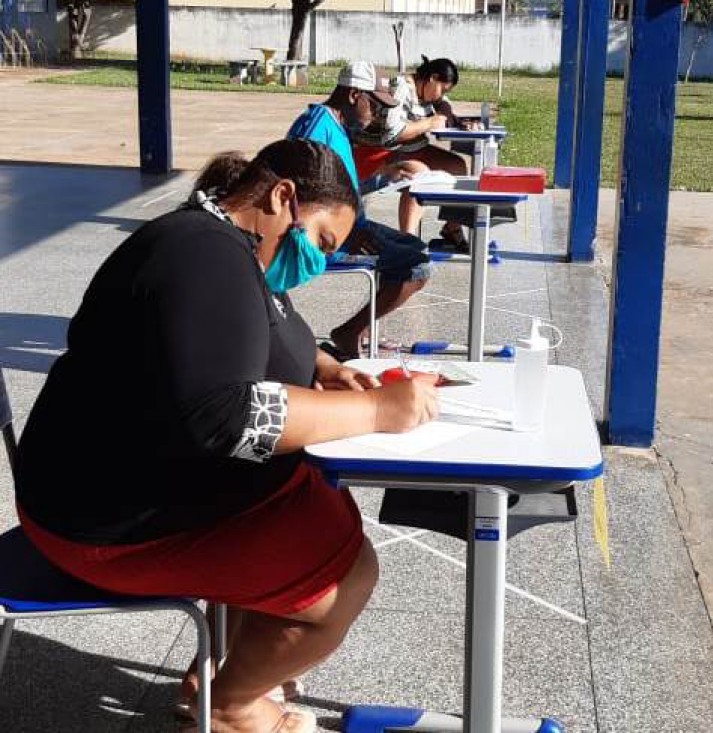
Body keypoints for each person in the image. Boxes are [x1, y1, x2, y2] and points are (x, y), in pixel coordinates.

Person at [14, 139, 439, 733]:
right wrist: (376, 410)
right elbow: (226, 416)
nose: (317, 262)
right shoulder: (204, 256)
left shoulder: (229, 247)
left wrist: (322, 366)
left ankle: (214, 673)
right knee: (344, 579)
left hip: (115, 486)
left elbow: (268, 327)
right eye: (319, 242)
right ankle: (234, 705)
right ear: (282, 197)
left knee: (315, 509)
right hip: (98, 523)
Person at [287, 61, 432, 360]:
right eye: (374, 105)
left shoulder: (334, 126)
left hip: (351, 227)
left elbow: (337, 187)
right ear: (355, 95)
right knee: (416, 266)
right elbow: (298, 194)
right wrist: (336, 236)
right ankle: (351, 332)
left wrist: (385, 177)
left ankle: (357, 331)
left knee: (416, 250)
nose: (377, 115)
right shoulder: (317, 130)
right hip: (332, 237)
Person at [352, 56, 473, 251]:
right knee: (418, 174)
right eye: (442, 88)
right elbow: (392, 134)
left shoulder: (429, 94)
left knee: (457, 166)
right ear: (432, 78)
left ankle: (452, 229)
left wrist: (448, 116)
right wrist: (428, 123)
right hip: (380, 154)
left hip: (411, 149)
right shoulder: (401, 87)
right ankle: (407, 241)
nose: (441, 94)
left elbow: (444, 105)